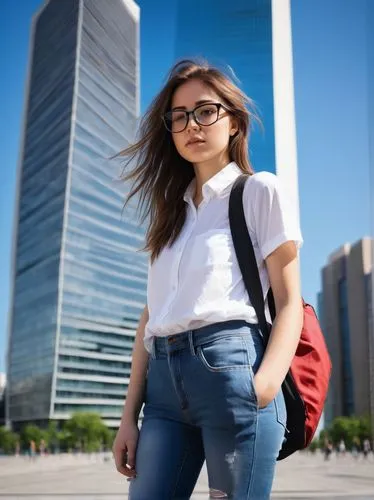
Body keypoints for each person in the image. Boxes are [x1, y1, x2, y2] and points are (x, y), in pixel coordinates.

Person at [112, 59, 303, 500]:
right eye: (178, 117)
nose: (191, 125)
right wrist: (129, 416)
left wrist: (263, 387)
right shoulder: (169, 218)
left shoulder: (259, 192)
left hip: (232, 371)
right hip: (161, 390)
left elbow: (290, 300)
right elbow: (151, 319)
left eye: (205, 111)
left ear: (233, 121)